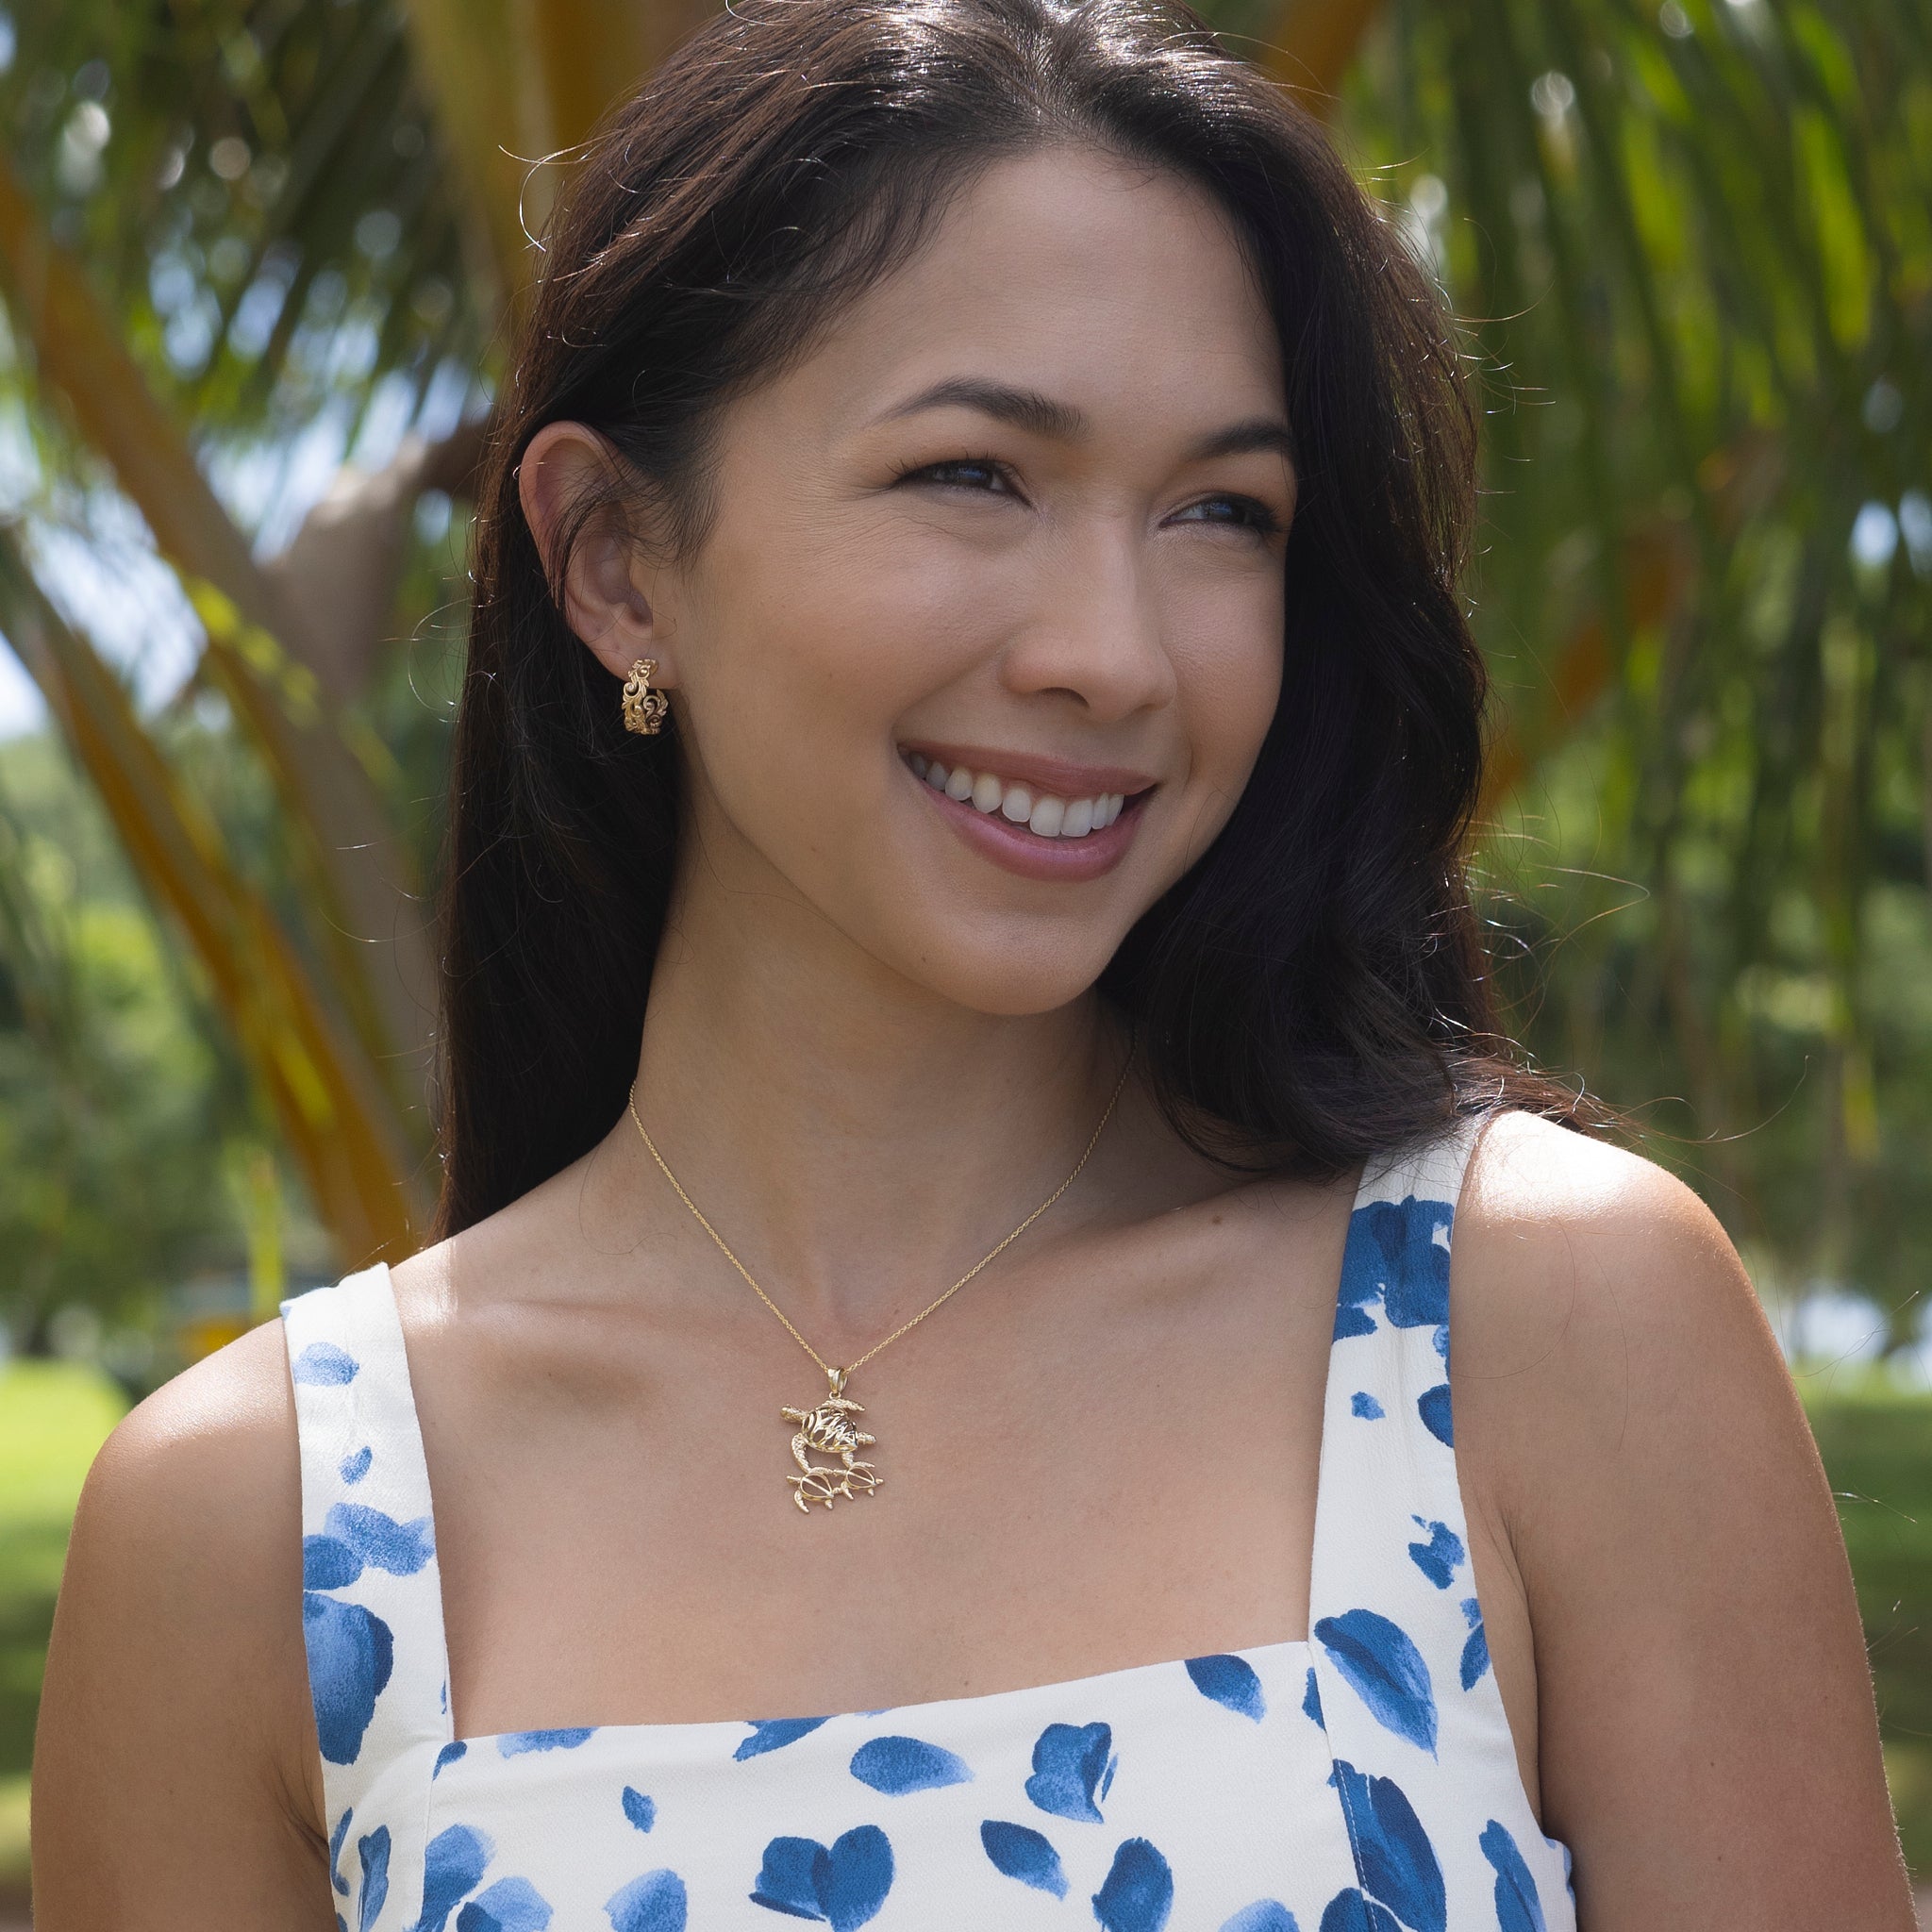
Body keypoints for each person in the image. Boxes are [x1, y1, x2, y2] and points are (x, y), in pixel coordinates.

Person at [30, 0, 1913, 1924]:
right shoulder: (254, 1523)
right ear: (613, 558)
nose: (1111, 651)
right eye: (974, 476)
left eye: (1221, 513)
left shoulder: (1542, 1327)